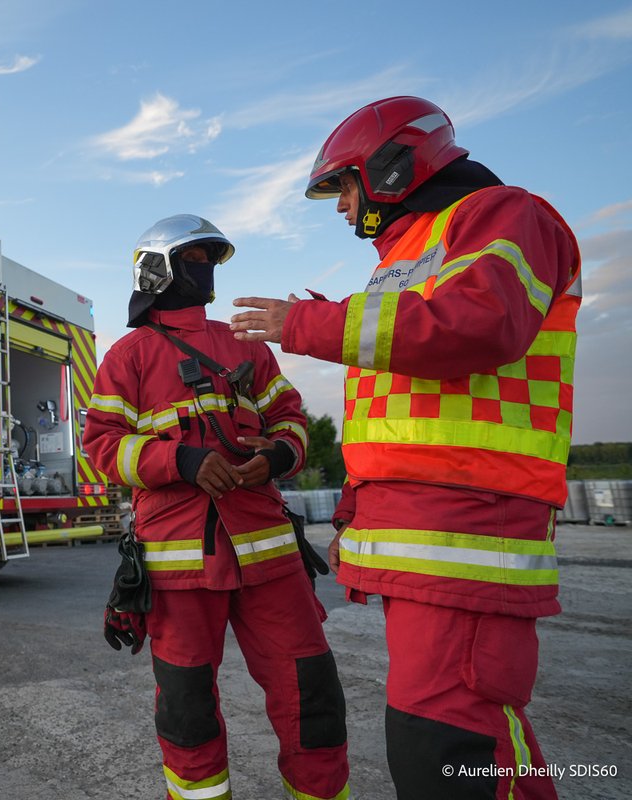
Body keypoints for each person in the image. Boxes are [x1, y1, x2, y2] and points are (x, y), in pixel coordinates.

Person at [228, 96, 580, 800]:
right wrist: (357, 515)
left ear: (390, 168)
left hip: (471, 528)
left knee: (447, 747)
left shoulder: (505, 215)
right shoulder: (407, 259)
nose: (340, 208)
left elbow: (481, 323)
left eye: (343, 187)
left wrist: (307, 324)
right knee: (459, 741)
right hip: (428, 532)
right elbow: (402, 414)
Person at [84, 214, 351, 800]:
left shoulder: (245, 347)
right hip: (178, 566)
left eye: (210, 259)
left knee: (312, 696)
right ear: (158, 270)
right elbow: (102, 446)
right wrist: (179, 461)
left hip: (271, 558)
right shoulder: (128, 356)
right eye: (194, 258)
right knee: (187, 711)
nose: (205, 270)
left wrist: (277, 456)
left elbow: (290, 419)